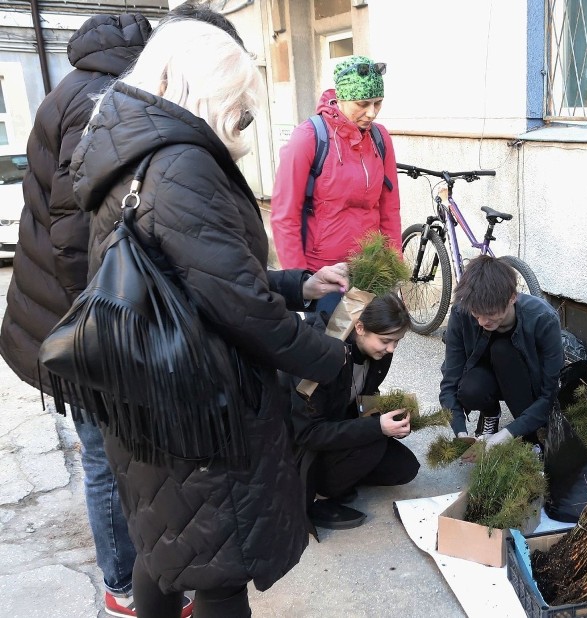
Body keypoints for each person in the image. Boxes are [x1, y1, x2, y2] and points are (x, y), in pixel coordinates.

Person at [69, 19, 349, 618]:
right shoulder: (182, 163)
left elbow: (189, 278)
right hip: (199, 403)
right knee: (220, 569)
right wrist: (330, 358)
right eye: (239, 103)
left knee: (164, 544)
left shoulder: (129, 149)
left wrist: (300, 282)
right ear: (208, 92)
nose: (243, 117)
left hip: (149, 385)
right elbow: (238, 304)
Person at [0, 14, 164, 618]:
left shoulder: (71, 88)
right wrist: (96, 318)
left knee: (107, 453)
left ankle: (130, 575)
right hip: (75, 318)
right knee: (104, 456)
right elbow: (73, 235)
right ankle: (122, 583)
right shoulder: (103, 97)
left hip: (52, 311)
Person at [270, 55, 402, 316]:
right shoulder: (308, 137)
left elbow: (389, 208)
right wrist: (301, 283)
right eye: (363, 104)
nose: (372, 112)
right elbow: (285, 216)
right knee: (330, 350)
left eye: (378, 103)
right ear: (341, 99)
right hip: (324, 274)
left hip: (369, 270)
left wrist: (393, 264)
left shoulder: (380, 138)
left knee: (376, 350)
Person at [290, 293, 420, 530]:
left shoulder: (376, 354)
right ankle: (320, 493)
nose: (391, 349)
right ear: (359, 327)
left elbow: (360, 395)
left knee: (405, 468)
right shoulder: (322, 357)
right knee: (375, 442)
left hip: (337, 429)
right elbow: (307, 433)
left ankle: (341, 476)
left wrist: (390, 419)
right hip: (303, 452)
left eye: (397, 342)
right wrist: (376, 427)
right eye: (385, 341)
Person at [440, 256, 563, 448]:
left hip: (526, 382)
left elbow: (549, 394)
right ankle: (490, 412)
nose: (481, 322)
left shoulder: (543, 319)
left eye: (489, 314)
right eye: (476, 314)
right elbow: (449, 382)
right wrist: (460, 432)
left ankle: (530, 437)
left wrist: (509, 433)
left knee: (502, 350)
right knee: (469, 389)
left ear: (512, 297)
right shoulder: (462, 312)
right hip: (487, 378)